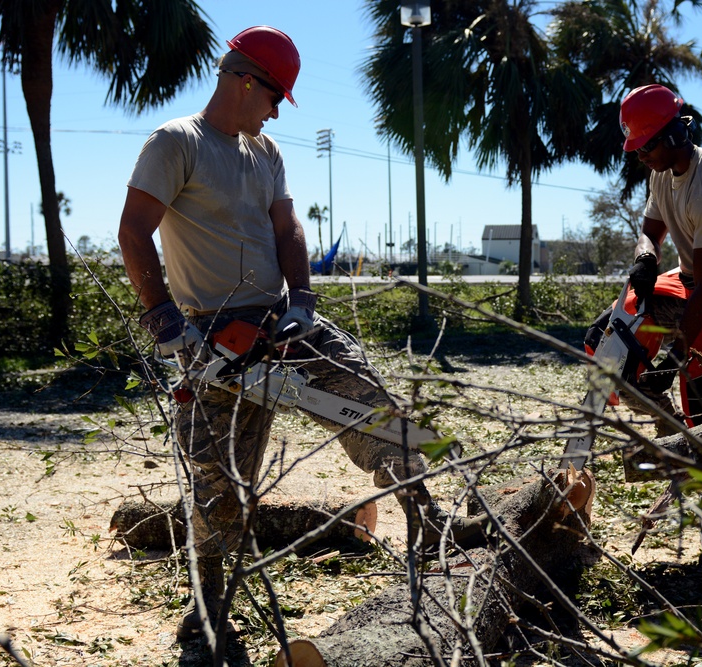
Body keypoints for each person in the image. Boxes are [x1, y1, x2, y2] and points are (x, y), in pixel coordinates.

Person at [118, 26, 485, 641]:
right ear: (244, 81)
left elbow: (287, 229)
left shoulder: (265, 151)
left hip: (280, 320)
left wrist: (304, 301)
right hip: (211, 333)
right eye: (274, 97)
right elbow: (134, 231)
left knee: (372, 404)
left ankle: (427, 519)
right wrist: (167, 325)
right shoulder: (176, 142)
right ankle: (208, 607)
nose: (274, 110)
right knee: (217, 479)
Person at [588, 84, 702, 520]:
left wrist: (678, 351)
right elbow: (650, 229)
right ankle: (667, 425)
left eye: (643, 147)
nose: (638, 155)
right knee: (608, 337)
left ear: (671, 136)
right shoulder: (662, 171)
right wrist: (645, 258)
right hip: (693, 282)